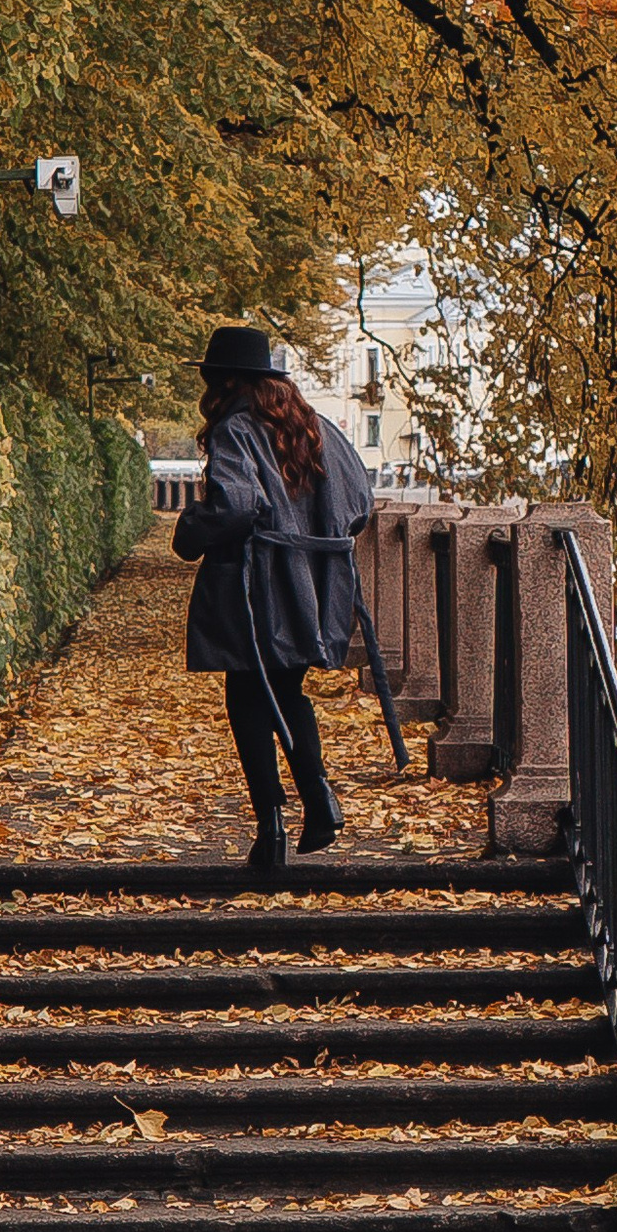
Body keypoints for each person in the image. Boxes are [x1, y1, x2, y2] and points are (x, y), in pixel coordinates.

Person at [173, 326, 374, 879]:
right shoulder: (315, 426)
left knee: (246, 698)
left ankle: (272, 828)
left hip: (258, 588)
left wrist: (191, 530)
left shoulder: (236, 428)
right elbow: (361, 499)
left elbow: (236, 505)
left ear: (226, 380)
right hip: (314, 588)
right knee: (287, 691)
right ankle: (320, 799)